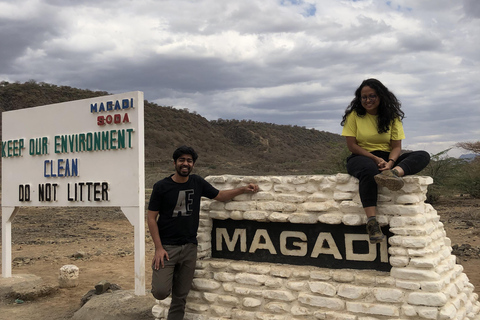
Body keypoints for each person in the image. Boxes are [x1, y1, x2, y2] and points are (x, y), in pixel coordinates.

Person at [147, 145, 259, 320]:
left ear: (193, 164)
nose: (185, 164)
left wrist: (243, 189)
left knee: (181, 297)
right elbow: (152, 218)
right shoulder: (161, 186)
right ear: (174, 163)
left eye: (189, 161)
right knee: (160, 291)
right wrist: (158, 248)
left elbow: (220, 195)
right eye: (182, 160)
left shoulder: (197, 182)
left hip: (190, 248)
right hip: (167, 248)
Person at [341, 78, 430, 244]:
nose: (367, 100)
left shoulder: (392, 117)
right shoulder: (354, 116)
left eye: (372, 96)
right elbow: (352, 146)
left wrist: (390, 164)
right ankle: (372, 223)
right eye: (364, 97)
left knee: (423, 155)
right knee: (369, 170)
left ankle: (393, 174)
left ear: (381, 96)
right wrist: (375, 158)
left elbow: (397, 146)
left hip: (388, 159)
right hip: (362, 157)